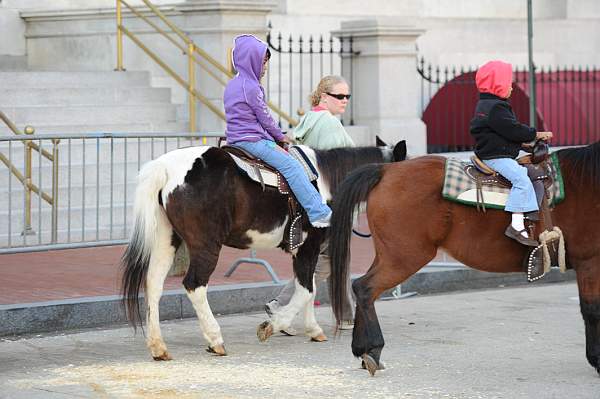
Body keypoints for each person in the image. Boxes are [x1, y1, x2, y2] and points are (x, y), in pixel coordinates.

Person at [265, 75, 356, 332]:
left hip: (312, 198)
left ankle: (346, 313)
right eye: (339, 96)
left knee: (331, 257)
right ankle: (285, 306)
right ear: (325, 96)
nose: (345, 101)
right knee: (329, 258)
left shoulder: (309, 118)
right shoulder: (328, 124)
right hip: (329, 200)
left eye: (348, 96)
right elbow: (340, 165)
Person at [223, 34, 332, 228]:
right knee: (292, 167)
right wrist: (280, 136)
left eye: (265, 63)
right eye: (262, 63)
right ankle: (318, 212)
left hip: (234, 139)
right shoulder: (252, 87)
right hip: (253, 141)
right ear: (251, 61)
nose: (264, 68)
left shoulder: (232, 84)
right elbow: (265, 118)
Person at [470, 60, 553, 246]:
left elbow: (501, 134)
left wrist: (525, 146)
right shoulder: (497, 108)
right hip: (496, 157)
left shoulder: (486, 104)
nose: (512, 88)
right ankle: (516, 225)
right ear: (497, 85)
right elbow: (513, 130)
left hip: (493, 151)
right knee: (521, 180)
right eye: (508, 83)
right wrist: (537, 134)